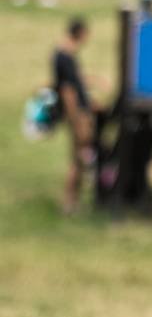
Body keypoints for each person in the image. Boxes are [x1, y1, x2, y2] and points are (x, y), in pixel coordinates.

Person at [53, 17, 94, 215]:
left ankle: (74, 200)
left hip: (79, 111)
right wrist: (75, 116)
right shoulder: (65, 56)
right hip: (77, 114)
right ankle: (69, 202)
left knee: (79, 158)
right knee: (78, 159)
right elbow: (68, 89)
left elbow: (74, 81)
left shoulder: (63, 54)